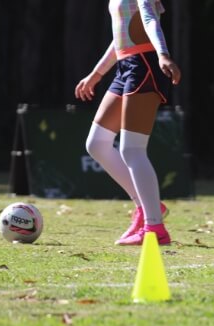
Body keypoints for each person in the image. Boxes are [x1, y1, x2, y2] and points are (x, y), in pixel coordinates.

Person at [75, 0, 181, 245]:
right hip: (126, 66)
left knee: (132, 149)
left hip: (145, 65)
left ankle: (156, 228)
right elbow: (121, 36)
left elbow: (150, 19)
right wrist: (97, 73)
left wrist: (163, 55)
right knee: (97, 143)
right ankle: (147, 208)